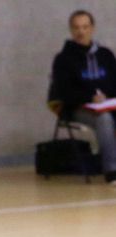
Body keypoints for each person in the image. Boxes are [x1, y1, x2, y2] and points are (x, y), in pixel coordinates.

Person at [48, 9, 116, 184]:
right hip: (77, 108)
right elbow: (63, 91)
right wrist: (89, 97)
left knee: (107, 114)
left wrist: (107, 95)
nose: (81, 32)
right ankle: (111, 170)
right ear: (71, 30)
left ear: (92, 28)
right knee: (105, 119)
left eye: (85, 27)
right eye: (77, 27)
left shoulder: (106, 55)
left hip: (107, 103)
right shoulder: (63, 59)